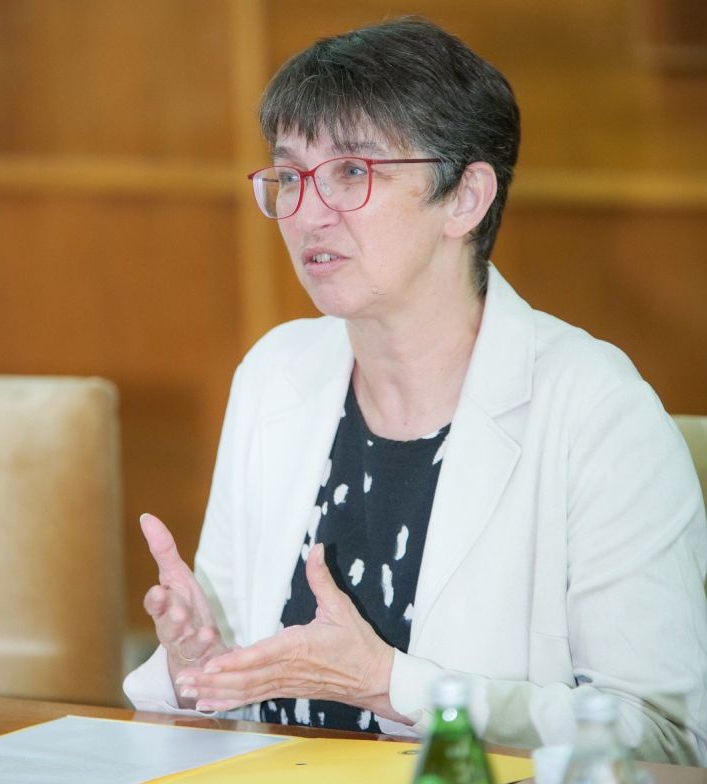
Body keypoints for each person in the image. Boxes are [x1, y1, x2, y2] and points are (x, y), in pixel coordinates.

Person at [123, 17, 707, 764]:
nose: (307, 213)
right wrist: (199, 669)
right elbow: (232, 684)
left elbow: (666, 738)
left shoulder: (598, 411)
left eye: (351, 172)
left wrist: (391, 685)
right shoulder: (275, 374)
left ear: (465, 197)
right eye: (290, 176)